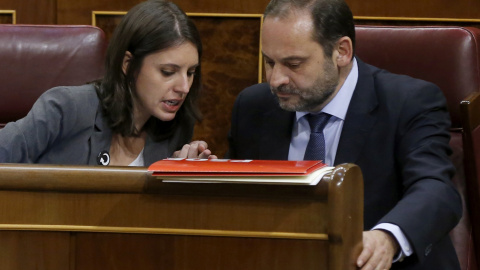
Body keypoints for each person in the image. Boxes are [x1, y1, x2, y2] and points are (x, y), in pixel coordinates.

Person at [226, 0, 462, 269]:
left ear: (342, 51)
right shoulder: (253, 107)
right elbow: (237, 199)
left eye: (293, 64)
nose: (275, 79)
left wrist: (387, 238)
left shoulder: (408, 103)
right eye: (269, 61)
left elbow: (436, 190)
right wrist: (194, 174)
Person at [0, 0, 216, 166]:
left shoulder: (176, 126)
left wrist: (183, 176)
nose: (184, 87)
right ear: (128, 64)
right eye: (168, 72)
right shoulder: (65, 108)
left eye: (191, 72)